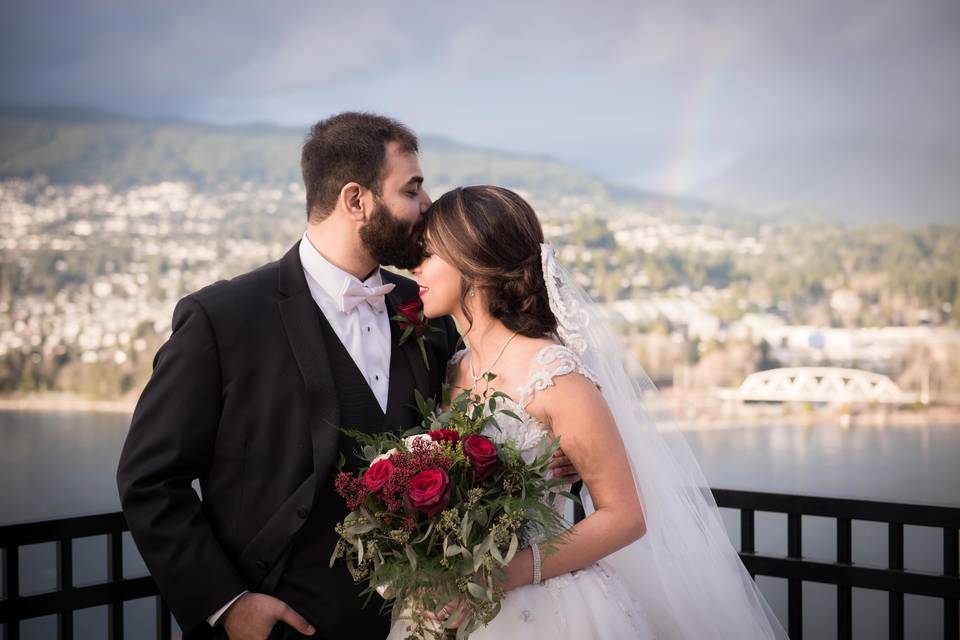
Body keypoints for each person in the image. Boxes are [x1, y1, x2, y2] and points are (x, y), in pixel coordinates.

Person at [119, 112, 461, 640]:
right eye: (411, 189)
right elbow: (149, 479)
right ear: (356, 200)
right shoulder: (223, 318)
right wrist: (228, 605)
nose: (427, 206)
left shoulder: (428, 308)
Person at [394, 186, 789, 638]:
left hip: (543, 607)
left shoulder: (554, 373)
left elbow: (625, 515)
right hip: (447, 606)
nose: (414, 266)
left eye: (428, 253)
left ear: (474, 266)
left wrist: (503, 576)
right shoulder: (455, 368)